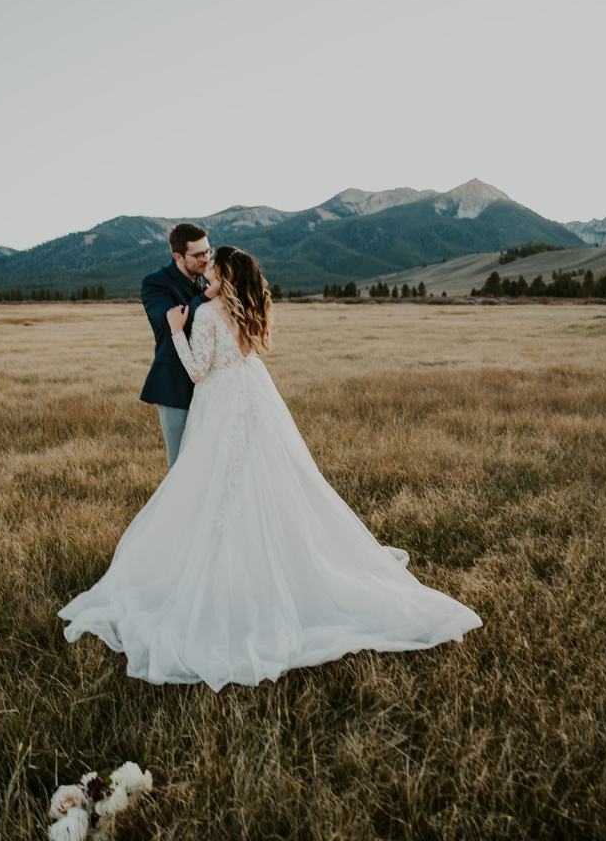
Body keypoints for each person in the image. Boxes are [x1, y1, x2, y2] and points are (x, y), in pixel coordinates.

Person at [58, 245, 482, 691]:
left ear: (224, 274)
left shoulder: (204, 314)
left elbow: (199, 371)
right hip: (254, 399)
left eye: (213, 271)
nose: (206, 277)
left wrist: (176, 330)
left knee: (215, 485)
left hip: (220, 405)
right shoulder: (245, 311)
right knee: (269, 480)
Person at [139, 223, 220, 467]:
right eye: (198, 255)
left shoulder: (207, 279)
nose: (206, 259)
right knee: (181, 463)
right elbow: (172, 321)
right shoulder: (156, 283)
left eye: (208, 251)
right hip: (175, 382)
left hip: (212, 383)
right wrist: (206, 297)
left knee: (211, 457)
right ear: (177, 256)